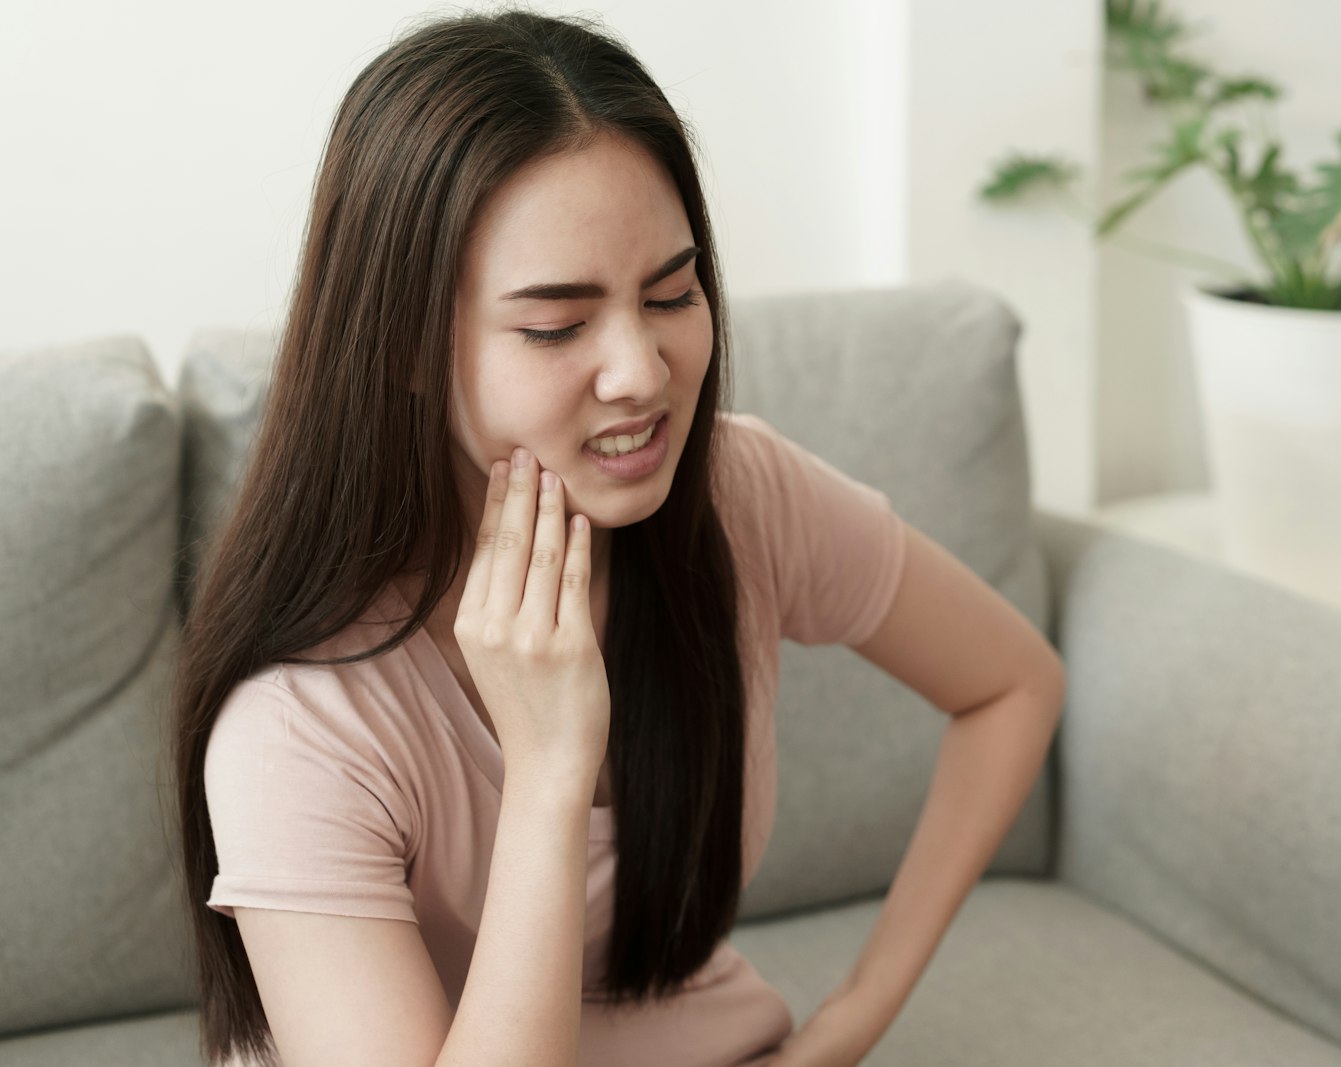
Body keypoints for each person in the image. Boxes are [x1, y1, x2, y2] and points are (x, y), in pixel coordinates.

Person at [170, 7, 1066, 1067]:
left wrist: (850, 1019)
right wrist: (550, 765)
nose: (641, 370)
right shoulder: (300, 718)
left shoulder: (739, 496)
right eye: (556, 324)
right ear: (405, 346)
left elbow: (1013, 683)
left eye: (673, 292)